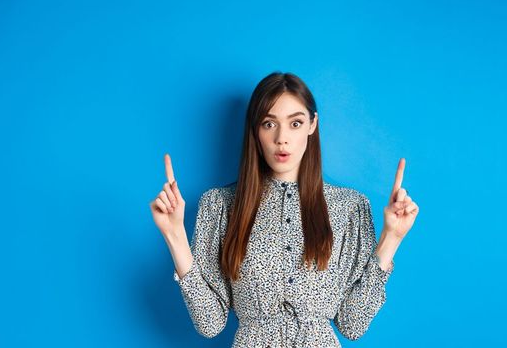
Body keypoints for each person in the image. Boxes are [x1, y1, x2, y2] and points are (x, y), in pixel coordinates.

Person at [149, 72, 419, 347]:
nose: (282, 138)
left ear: (312, 125)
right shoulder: (219, 205)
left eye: (295, 123)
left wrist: (391, 238)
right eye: (269, 124)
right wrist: (175, 236)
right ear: (255, 129)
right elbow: (210, 323)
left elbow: (353, 324)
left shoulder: (349, 208)